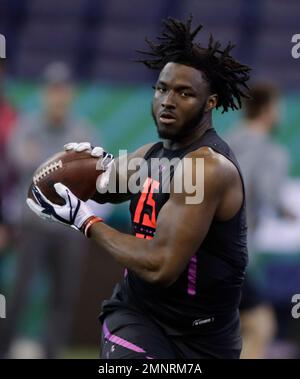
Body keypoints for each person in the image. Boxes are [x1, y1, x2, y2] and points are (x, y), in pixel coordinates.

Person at [26, 17, 250, 359]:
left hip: (208, 337)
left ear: (211, 103)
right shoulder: (150, 155)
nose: (167, 101)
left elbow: (161, 266)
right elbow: (101, 186)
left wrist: (86, 223)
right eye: (161, 88)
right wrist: (88, 165)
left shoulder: (207, 168)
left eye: (184, 92)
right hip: (140, 317)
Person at [0, 62, 96, 359]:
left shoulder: (83, 130)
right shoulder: (26, 126)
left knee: (63, 298)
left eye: (63, 90)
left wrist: (47, 166)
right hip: (33, 226)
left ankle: (51, 353)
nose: (58, 96)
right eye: (53, 90)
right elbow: (22, 164)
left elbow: (91, 177)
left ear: (70, 94)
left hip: (68, 229)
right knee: (19, 294)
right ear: (45, 93)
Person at [226, 84, 291, 358]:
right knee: (262, 325)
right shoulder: (271, 152)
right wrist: (286, 210)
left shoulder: (223, 142)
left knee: (228, 328)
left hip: (201, 249)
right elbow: (268, 195)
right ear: (268, 111)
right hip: (235, 252)